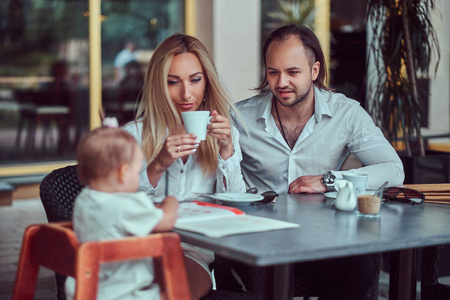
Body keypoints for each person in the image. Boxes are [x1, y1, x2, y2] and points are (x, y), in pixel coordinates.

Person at [231, 25, 405, 299]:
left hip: (324, 239)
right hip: (260, 240)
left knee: (360, 264)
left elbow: (393, 169)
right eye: (273, 72)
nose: (281, 82)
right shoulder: (240, 118)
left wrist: (329, 180)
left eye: (293, 72)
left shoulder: (345, 113)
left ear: (314, 71)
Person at [123, 33, 246, 299]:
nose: (186, 93)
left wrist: (226, 150)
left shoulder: (225, 134)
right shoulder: (132, 137)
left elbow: (237, 205)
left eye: (195, 80)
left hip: (192, 253)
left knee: (175, 292)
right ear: (159, 85)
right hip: (139, 247)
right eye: (173, 82)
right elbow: (119, 208)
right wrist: (158, 165)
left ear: (207, 81)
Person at [65, 126, 178, 300]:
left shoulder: (84, 199)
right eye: (136, 171)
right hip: (125, 293)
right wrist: (171, 203)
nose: (137, 176)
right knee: (175, 293)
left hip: (87, 288)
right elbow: (167, 222)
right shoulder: (128, 204)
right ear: (123, 172)